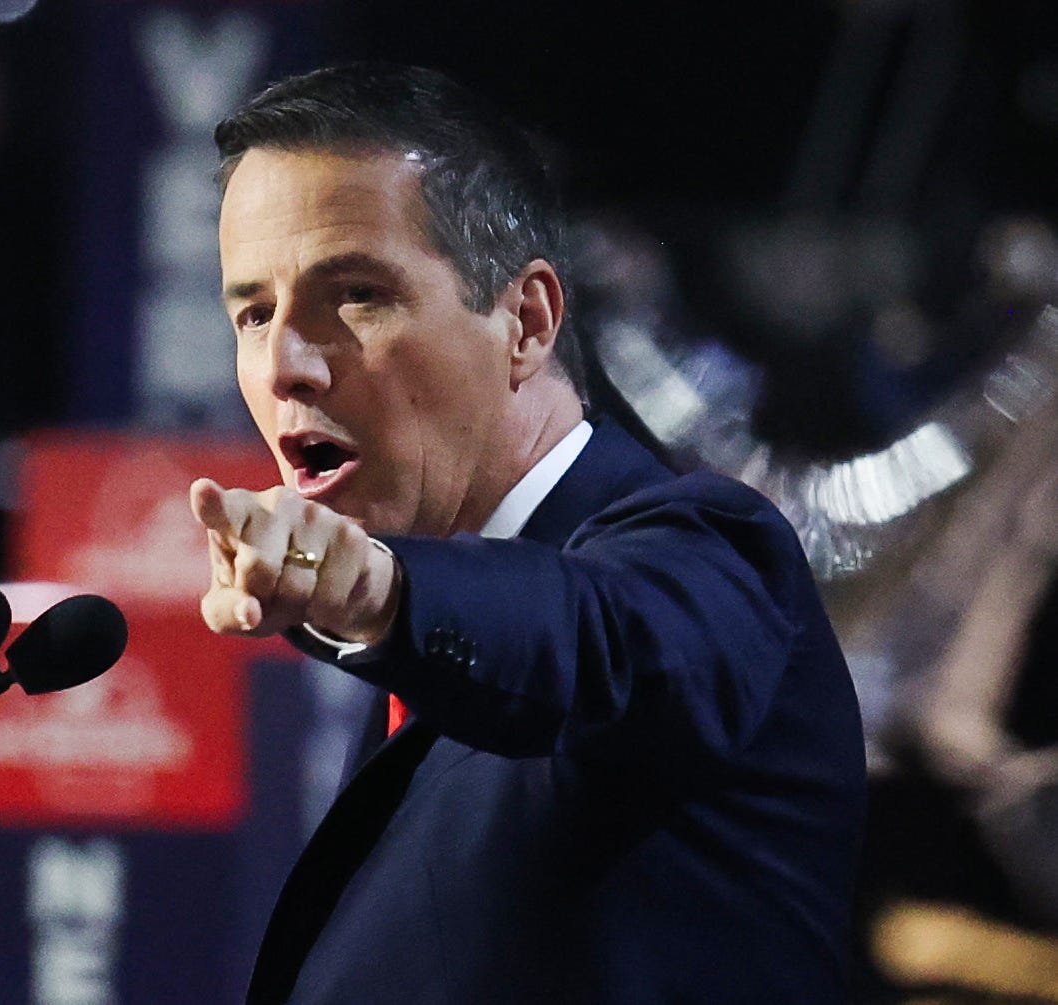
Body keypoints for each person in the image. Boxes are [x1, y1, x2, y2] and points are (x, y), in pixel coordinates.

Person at [188, 63, 866, 1004]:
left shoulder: (707, 548)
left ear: (525, 321)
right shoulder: (426, 647)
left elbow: (598, 639)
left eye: (355, 294)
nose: (283, 365)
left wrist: (382, 591)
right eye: (254, 312)